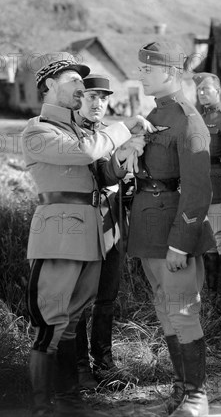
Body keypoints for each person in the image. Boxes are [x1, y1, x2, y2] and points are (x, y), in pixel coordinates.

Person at [23, 53, 149, 416]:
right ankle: (42, 406)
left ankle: (68, 399)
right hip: (59, 236)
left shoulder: (80, 130)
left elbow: (100, 174)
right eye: (73, 82)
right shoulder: (38, 129)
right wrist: (124, 126)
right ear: (49, 86)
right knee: (50, 323)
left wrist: (123, 159)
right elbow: (84, 152)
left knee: (73, 319)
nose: (82, 88)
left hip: (92, 235)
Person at [113, 41, 215, 417]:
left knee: (183, 310)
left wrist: (180, 244)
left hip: (173, 232)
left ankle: (197, 397)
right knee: (165, 310)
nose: (140, 74)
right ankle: (180, 388)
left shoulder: (189, 120)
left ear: (170, 73)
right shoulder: (155, 115)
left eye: (147, 69)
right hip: (148, 228)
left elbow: (198, 191)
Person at [73, 74, 135, 389]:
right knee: (80, 299)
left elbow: (114, 177)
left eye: (104, 98)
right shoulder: (70, 133)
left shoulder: (110, 134)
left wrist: (127, 171)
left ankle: (104, 363)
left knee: (107, 298)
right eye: (92, 97)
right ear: (79, 99)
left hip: (111, 222)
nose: (98, 104)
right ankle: (81, 369)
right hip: (81, 225)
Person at [193, 72, 221, 305]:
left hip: (219, 186)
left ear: (218, 92)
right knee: (207, 242)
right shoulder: (196, 118)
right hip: (200, 186)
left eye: (207, 89)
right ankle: (212, 295)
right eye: (199, 90)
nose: (202, 93)